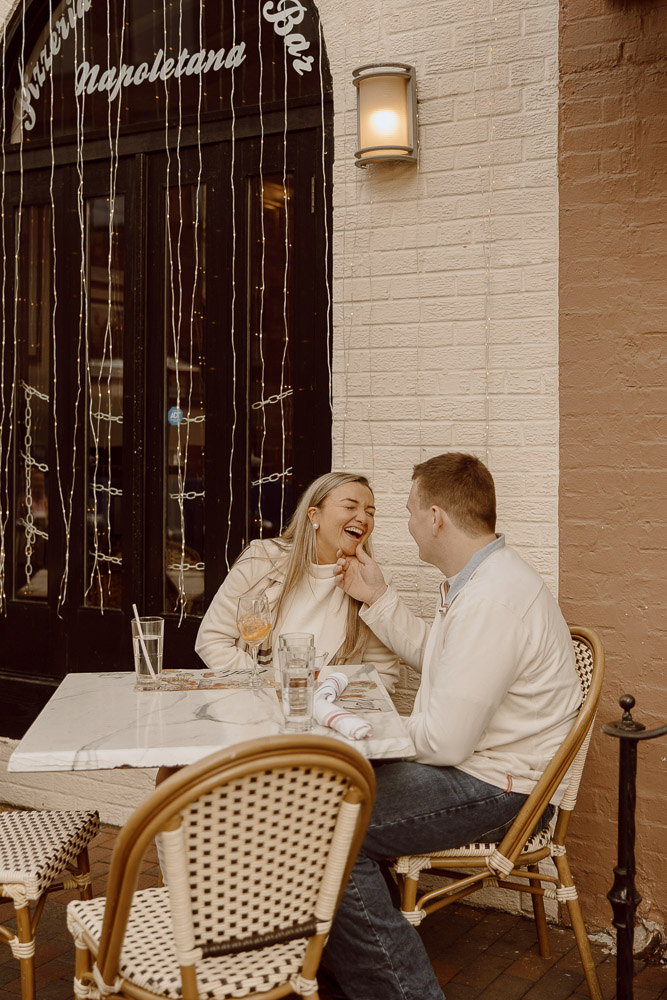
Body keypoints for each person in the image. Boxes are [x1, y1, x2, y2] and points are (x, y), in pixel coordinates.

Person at [324, 452, 581, 1000]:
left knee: (331, 827)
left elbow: (444, 740)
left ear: (436, 516)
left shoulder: (492, 598)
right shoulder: (480, 578)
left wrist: (354, 733)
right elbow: (445, 661)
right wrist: (379, 599)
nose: (407, 520)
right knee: (326, 801)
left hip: (496, 789)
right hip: (477, 771)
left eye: (411, 509)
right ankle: (342, 972)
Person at [195, 472, 400, 690]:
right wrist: (274, 687)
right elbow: (212, 640)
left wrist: (331, 702)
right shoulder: (262, 560)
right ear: (314, 516)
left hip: (326, 713)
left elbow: (382, 673)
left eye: (370, 512)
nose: (363, 518)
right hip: (254, 706)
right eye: (350, 507)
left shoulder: (372, 583)